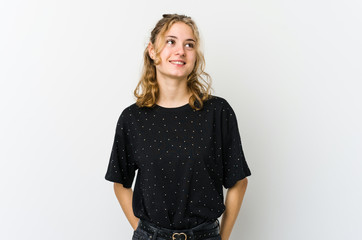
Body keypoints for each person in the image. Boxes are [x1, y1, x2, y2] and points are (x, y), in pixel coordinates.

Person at [105, 13, 251, 240]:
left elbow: (238, 182)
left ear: (195, 55)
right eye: (171, 41)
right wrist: (144, 232)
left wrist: (222, 237)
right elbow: (120, 182)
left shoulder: (218, 112)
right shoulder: (132, 118)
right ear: (152, 51)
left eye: (189, 44)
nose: (180, 51)